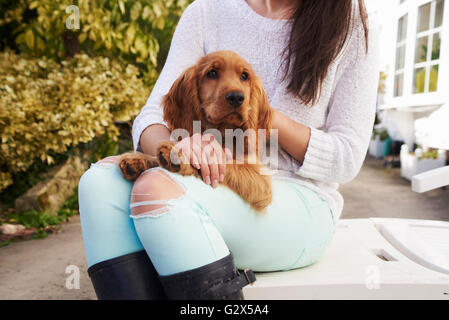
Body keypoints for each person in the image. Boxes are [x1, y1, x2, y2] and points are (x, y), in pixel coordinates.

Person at [78, 0, 379, 300]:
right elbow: (152, 116)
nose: (233, 88)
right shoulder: (207, 11)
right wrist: (173, 148)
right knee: (99, 183)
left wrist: (261, 114)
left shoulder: (352, 21)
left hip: (298, 198)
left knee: (156, 190)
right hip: (201, 173)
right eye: (213, 75)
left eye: (243, 79)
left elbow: (347, 157)